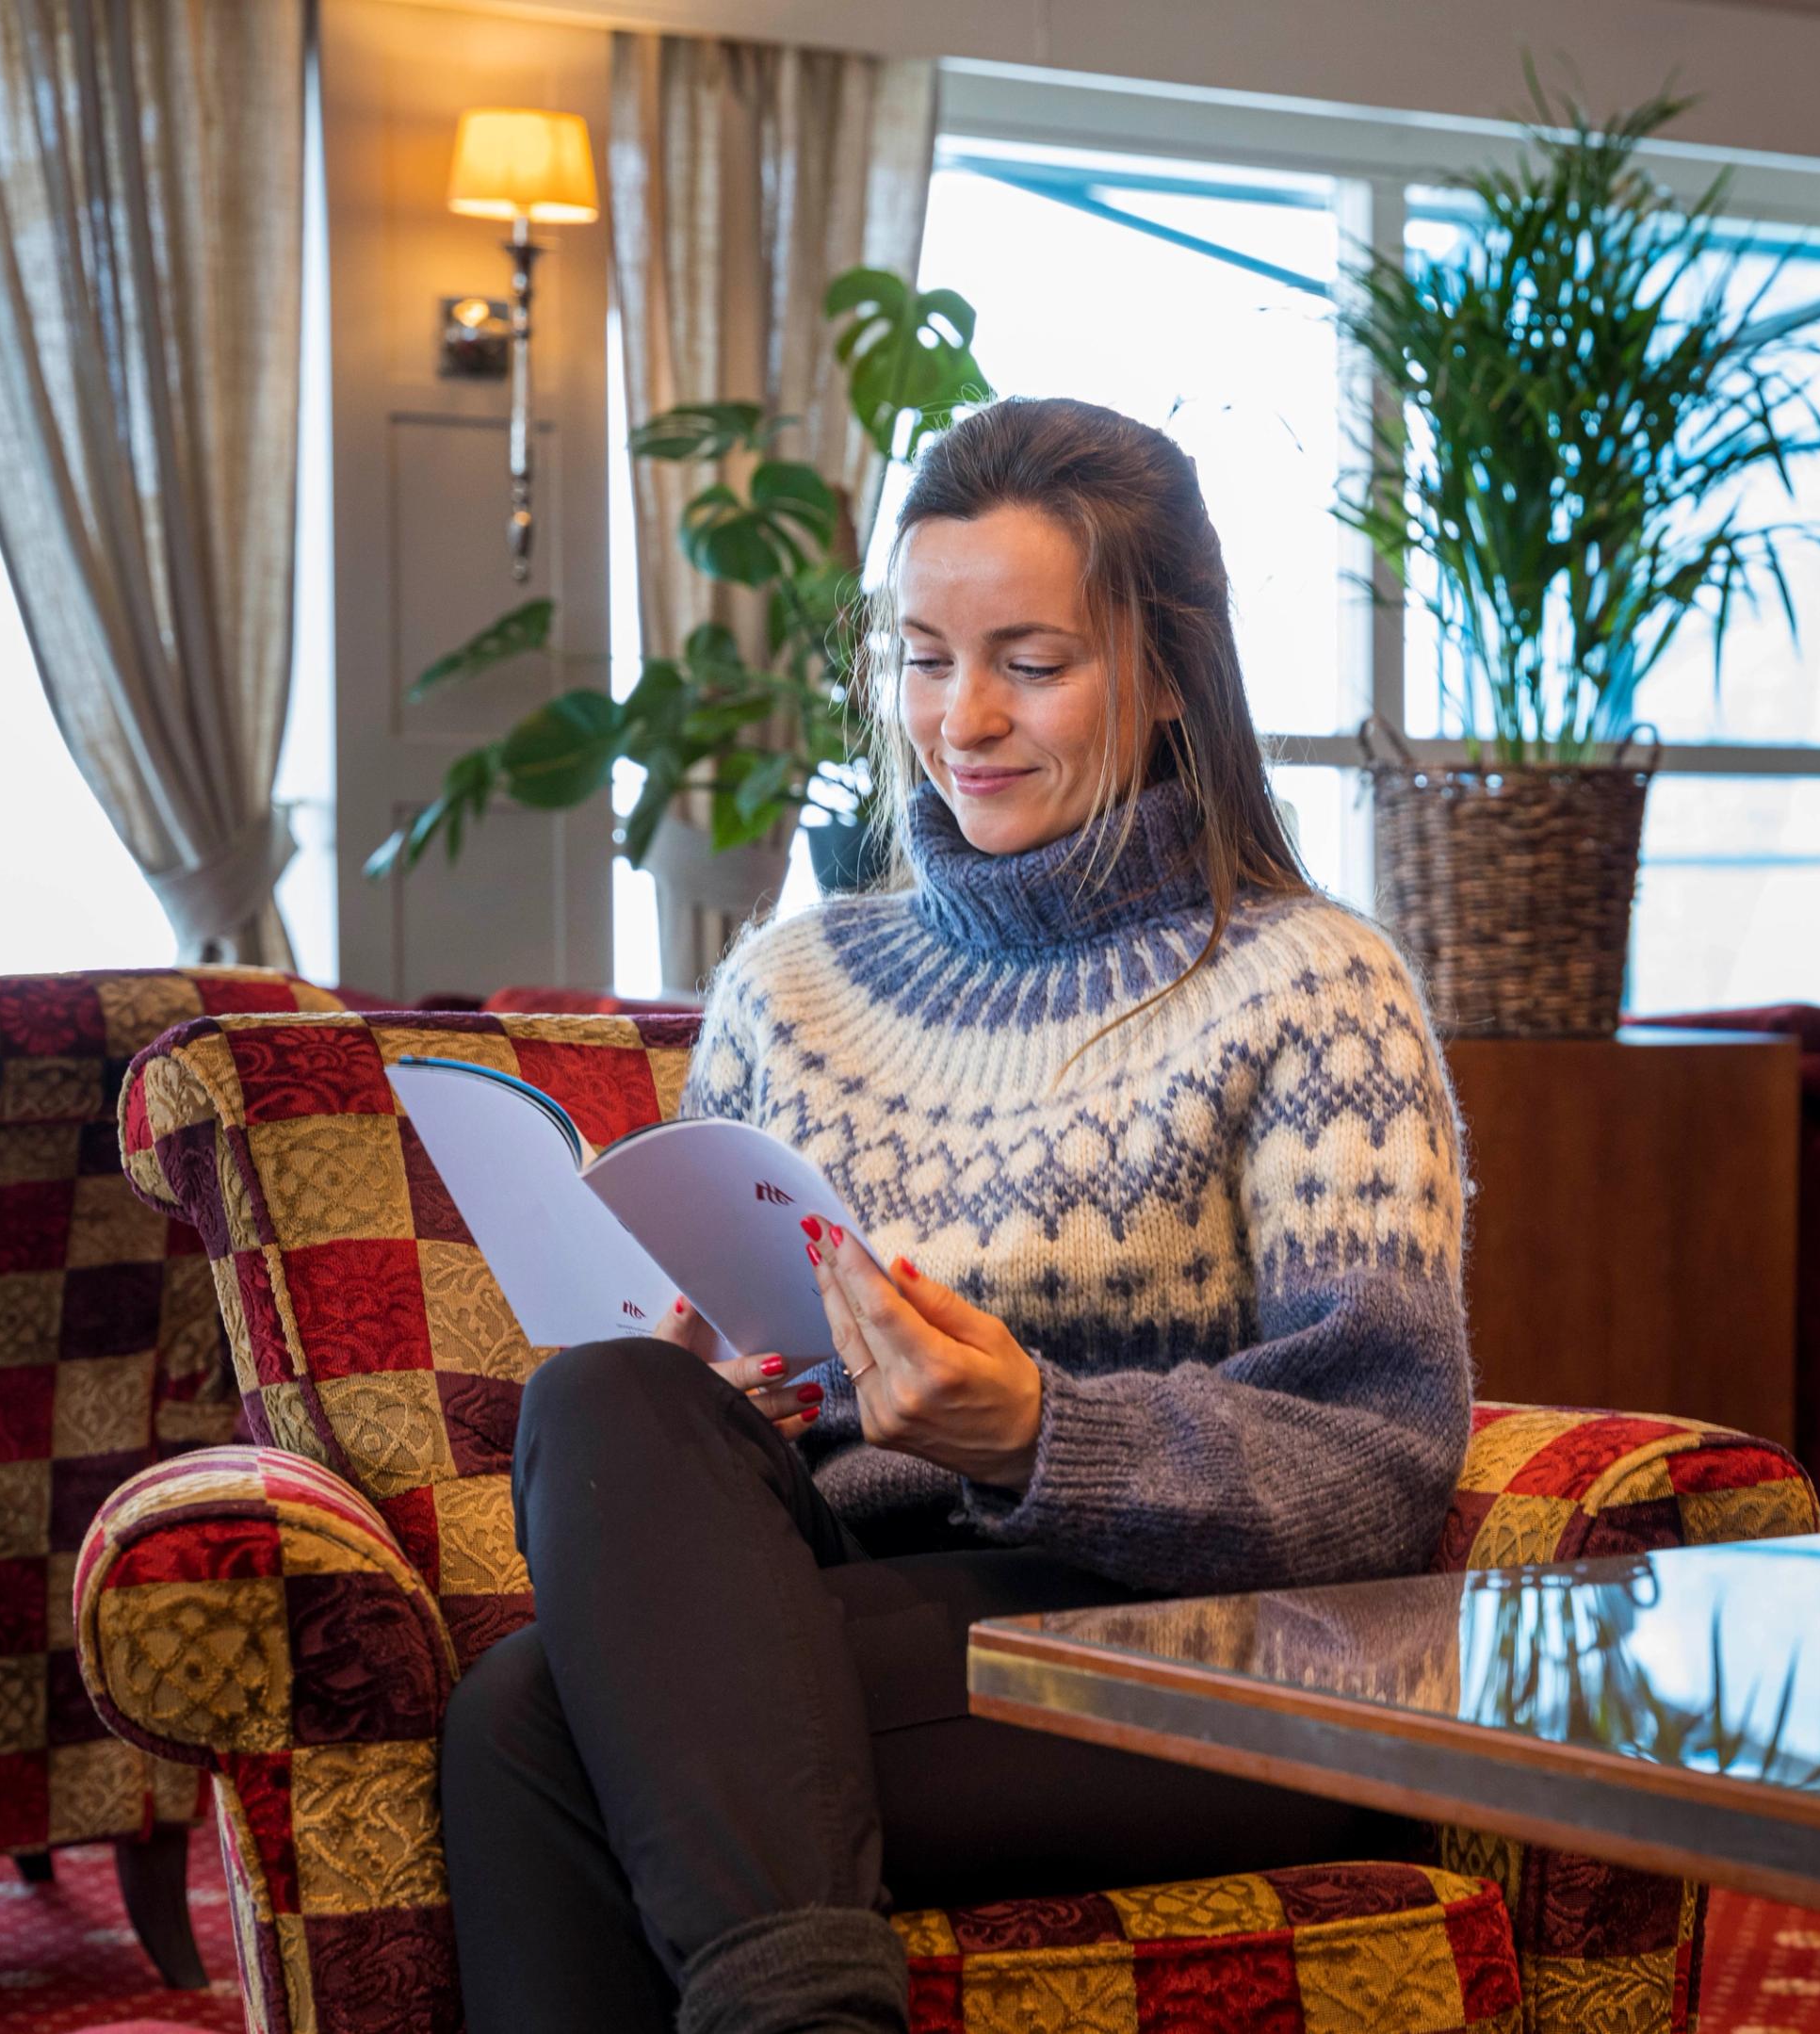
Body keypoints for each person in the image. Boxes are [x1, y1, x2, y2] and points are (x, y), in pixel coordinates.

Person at [440, 398, 1471, 2034]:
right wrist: (734, 1396)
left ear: (1168, 668)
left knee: (527, 1723)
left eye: (1032, 660)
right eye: (925, 656)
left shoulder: (1311, 986)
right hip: (834, 1598)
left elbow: (1387, 1467)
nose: (962, 717)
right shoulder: (789, 991)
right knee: (605, 1397)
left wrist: (1035, 1433)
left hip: (1204, 1654)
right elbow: (730, 1405)